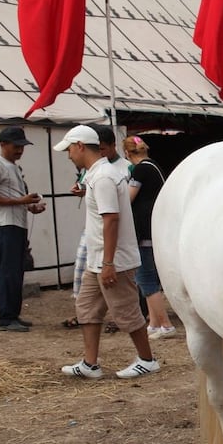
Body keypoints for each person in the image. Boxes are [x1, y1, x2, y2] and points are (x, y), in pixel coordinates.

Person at [53, 125, 160, 379]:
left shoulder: (102, 178)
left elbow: (111, 219)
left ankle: (147, 359)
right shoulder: (98, 174)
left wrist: (109, 262)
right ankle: (90, 363)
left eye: (69, 149)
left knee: (126, 311)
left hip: (112, 259)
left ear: (80, 146)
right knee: (87, 307)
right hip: (98, 259)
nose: (68, 155)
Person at [63, 125, 131, 330]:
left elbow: (112, 216)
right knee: (83, 273)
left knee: (123, 299)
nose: (100, 153)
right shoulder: (94, 171)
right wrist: (82, 191)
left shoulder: (117, 170)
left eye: (102, 148)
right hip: (95, 231)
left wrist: (108, 262)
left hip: (112, 235)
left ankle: (142, 351)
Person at [0, 126, 47, 332]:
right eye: (16, 146)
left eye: (22, 146)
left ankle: (13, 314)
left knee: (17, 271)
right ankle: (5, 318)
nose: (20, 150)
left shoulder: (13, 167)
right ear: (3, 144)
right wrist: (21, 200)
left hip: (17, 223)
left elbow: (14, 197)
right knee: (9, 271)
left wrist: (30, 206)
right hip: (5, 225)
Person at [123, 135, 176, 338]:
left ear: (127, 153)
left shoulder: (140, 170)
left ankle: (165, 324)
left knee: (146, 278)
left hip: (143, 230)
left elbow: (128, 198)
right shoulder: (154, 167)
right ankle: (153, 323)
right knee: (147, 276)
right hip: (155, 227)